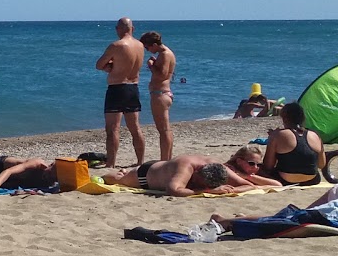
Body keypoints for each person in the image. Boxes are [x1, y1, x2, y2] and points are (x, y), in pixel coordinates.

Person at [94, 17, 146, 168]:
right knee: (135, 127)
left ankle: (111, 163)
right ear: (132, 29)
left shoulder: (116, 45)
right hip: (133, 88)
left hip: (117, 88)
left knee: (112, 129)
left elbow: (99, 64)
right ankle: (140, 161)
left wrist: (109, 66)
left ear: (119, 29)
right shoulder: (140, 46)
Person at [207, 181, 338, 237]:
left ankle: (237, 219)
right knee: (293, 218)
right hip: (324, 215)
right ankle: (226, 221)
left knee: (295, 215)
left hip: (325, 210)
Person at [103, 154, 261, 196]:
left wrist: (232, 190)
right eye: (199, 182)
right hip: (146, 175)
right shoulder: (187, 167)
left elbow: (248, 186)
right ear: (198, 171)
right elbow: (173, 190)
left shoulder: (218, 167)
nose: (200, 185)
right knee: (116, 179)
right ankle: (120, 171)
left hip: (165, 168)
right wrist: (205, 191)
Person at [258, 101, 324, 185]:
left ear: (285, 118)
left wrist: (272, 138)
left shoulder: (278, 135)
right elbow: (321, 164)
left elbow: (268, 166)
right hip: (312, 180)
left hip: (284, 180)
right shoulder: (315, 135)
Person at [140, 31, 176, 161]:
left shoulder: (165, 54)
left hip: (160, 94)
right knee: (165, 129)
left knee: (164, 130)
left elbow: (162, 75)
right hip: (163, 93)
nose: (147, 50)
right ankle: (167, 159)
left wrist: (151, 66)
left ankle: (164, 160)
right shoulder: (165, 54)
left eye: (148, 47)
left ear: (154, 44)